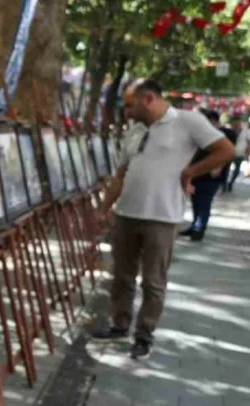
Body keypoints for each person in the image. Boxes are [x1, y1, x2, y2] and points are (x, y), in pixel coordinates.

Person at [94, 78, 234, 360]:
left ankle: (144, 335)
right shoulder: (135, 130)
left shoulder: (187, 121)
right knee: (121, 276)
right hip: (126, 214)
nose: (128, 111)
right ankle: (120, 323)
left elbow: (226, 150)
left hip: (162, 216)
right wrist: (104, 208)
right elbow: (121, 173)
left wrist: (190, 171)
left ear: (149, 99)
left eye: (131, 105)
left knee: (153, 281)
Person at [180, 110, 234, 241]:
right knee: (196, 201)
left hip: (211, 176)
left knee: (204, 202)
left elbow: (228, 152)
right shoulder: (200, 135)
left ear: (214, 121)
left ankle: (199, 228)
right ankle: (194, 225)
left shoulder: (226, 134)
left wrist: (218, 167)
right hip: (197, 174)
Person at [227, 116, 247, 192]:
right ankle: (224, 184)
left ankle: (230, 183)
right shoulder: (228, 130)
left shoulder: (245, 131)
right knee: (226, 169)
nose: (237, 124)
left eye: (238, 122)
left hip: (240, 153)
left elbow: (248, 143)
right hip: (229, 153)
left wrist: (247, 153)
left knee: (237, 170)